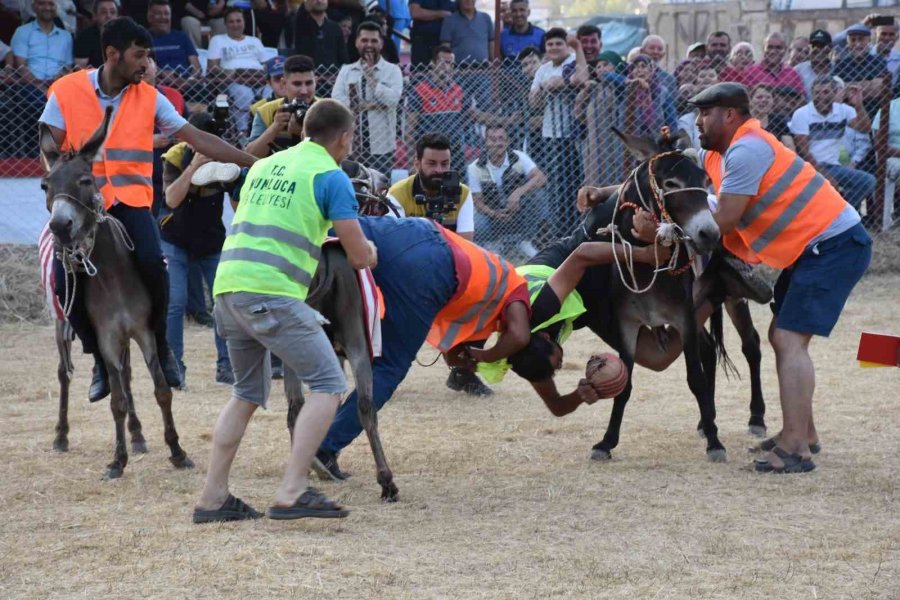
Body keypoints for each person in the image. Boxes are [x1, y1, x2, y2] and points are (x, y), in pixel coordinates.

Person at [40, 16, 256, 402]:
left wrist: (251, 162)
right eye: (139, 56)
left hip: (130, 202)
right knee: (61, 283)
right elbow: (49, 149)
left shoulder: (151, 98)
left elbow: (197, 138)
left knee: (155, 266)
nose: (146, 64)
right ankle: (97, 357)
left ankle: (162, 346)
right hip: (81, 207)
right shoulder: (65, 92)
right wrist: (61, 193)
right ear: (112, 55)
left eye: (147, 56)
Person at [193, 99, 378, 523]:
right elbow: (356, 255)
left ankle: (212, 497)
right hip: (271, 293)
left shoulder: (263, 166)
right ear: (345, 138)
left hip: (227, 288)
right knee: (330, 385)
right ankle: (292, 490)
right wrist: (370, 251)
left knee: (245, 394)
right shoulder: (331, 177)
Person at [691, 82, 872, 473]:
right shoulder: (722, 153)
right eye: (697, 113)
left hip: (833, 244)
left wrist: (672, 231)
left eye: (706, 113)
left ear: (731, 115)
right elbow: (688, 164)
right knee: (781, 335)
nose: (698, 121)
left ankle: (795, 450)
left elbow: (723, 221)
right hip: (814, 247)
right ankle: (803, 432)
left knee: (789, 338)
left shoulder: (745, 149)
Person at [312, 215, 533, 481]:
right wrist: (486, 357)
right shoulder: (516, 287)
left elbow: (453, 353)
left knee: (335, 225)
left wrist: (465, 359)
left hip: (414, 232)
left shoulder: (489, 278)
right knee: (389, 366)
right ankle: (325, 447)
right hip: (432, 264)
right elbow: (519, 336)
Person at [477, 214, 677, 414]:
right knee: (658, 357)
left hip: (587, 260)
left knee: (625, 214)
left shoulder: (541, 308)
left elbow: (583, 254)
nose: (561, 364)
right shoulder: (526, 360)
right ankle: (705, 304)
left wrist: (645, 254)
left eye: (557, 362)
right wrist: (580, 395)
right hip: (588, 305)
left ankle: (613, 192)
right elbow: (556, 406)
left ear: (545, 336)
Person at [159, 112, 239, 387]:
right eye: (197, 143)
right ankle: (174, 368)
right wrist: (193, 167)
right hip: (175, 240)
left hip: (211, 241)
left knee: (224, 304)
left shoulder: (226, 159)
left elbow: (239, 203)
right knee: (175, 303)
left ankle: (227, 367)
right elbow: (171, 198)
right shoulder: (175, 156)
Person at [529, 28, 588, 237]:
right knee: (556, 186)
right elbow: (533, 103)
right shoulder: (543, 69)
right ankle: (559, 231)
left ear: (566, 45)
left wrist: (561, 83)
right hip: (550, 135)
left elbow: (581, 78)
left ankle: (576, 229)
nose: (554, 48)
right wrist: (546, 87)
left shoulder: (573, 60)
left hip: (573, 135)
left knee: (575, 183)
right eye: (550, 44)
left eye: (558, 44)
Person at [789, 76, 874, 211]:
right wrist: (825, 176)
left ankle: (840, 211)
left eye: (826, 92)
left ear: (835, 93)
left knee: (868, 181)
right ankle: (840, 212)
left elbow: (865, 128)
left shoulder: (844, 110)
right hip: (811, 166)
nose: (821, 96)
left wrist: (859, 105)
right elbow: (804, 151)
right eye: (817, 92)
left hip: (836, 166)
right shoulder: (802, 114)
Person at [331, 20, 403, 175]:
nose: (369, 44)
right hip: (351, 146)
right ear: (357, 43)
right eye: (364, 40)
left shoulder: (393, 71)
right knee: (352, 187)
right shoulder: (347, 71)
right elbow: (336, 100)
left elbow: (393, 100)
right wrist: (366, 105)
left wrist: (372, 79)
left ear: (381, 44)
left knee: (379, 189)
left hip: (381, 147)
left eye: (374, 41)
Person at [467, 124, 546, 257]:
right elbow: (478, 202)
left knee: (538, 195)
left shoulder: (519, 157)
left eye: (502, 138)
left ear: (508, 141)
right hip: (491, 214)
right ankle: (492, 244)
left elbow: (541, 178)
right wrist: (494, 213)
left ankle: (524, 241)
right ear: (485, 142)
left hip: (517, 210)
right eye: (493, 139)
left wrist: (518, 192)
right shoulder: (474, 168)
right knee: (478, 221)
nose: (498, 143)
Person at [8, 0, 73, 157]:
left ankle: (60, 152)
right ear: (34, 7)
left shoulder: (66, 37)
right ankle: (36, 153)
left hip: (58, 86)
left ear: (56, 8)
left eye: (51, 4)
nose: (47, 8)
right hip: (29, 86)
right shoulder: (22, 32)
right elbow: (21, 67)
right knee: (38, 103)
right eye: (42, 3)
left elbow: (68, 67)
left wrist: (55, 85)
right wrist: (43, 89)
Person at [388, 132, 474, 238]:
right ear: (417, 164)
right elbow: (395, 241)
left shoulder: (463, 193)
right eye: (432, 163)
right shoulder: (397, 193)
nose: (439, 170)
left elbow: (466, 244)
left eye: (444, 164)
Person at [405, 45, 469, 172]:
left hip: (454, 154)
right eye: (443, 63)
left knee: (456, 189)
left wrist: (506, 120)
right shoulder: (420, 90)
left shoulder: (458, 90)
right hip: (430, 154)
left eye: (451, 64)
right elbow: (410, 130)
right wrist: (412, 160)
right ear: (433, 64)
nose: (447, 67)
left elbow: (473, 113)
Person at [206, 7, 267, 135]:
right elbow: (212, 66)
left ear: (244, 22)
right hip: (235, 79)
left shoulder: (255, 41)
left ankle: (267, 128)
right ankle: (243, 132)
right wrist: (226, 72)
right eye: (231, 21)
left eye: (238, 21)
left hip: (259, 78)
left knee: (270, 93)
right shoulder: (218, 40)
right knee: (245, 95)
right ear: (226, 24)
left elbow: (266, 64)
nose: (235, 25)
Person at [246, 54, 318, 158]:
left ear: (316, 81)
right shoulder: (266, 111)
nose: (304, 91)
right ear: (284, 83)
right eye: (297, 84)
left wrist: (303, 134)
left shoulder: (327, 109)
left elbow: (335, 157)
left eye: (309, 83)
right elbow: (250, 156)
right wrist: (275, 127)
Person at [833, 23, 888, 118]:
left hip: (873, 114)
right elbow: (837, 93)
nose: (857, 44)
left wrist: (847, 87)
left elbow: (879, 89)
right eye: (853, 40)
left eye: (861, 39)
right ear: (847, 43)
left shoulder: (879, 61)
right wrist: (869, 84)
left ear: (869, 41)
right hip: (847, 116)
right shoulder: (840, 64)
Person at [742, 32, 804, 97]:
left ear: (785, 50)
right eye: (769, 47)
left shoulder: (792, 73)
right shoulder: (750, 72)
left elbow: (801, 98)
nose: (773, 51)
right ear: (763, 49)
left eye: (778, 48)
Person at [292, 0, 348, 69]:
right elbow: (301, 14)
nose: (319, 0)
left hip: (333, 76)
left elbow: (343, 57)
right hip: (308, 75)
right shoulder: (301, 25)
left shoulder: (335, 28)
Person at [439, 0, 493, 64]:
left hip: (484, 69)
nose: (468, 1)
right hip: (459, 69)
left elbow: (492, 43)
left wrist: (493, 66)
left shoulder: (486, 18)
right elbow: (445, 47)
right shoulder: (449, 20)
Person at [408, 0, 454, 66]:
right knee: (421, 73)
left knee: (445, 73)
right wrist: (440, 14)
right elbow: (415, 12)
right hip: (423, 43)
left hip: (446, 44)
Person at [74, 0, 118, 69]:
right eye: (103, 12)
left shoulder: (125, 35)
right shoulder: (84, 37)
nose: (109, 16)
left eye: (112, 12)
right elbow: (79, 69)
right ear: (95, 16)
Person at [795, 29, 834, 100]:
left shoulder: (837, 69)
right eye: (814, 46)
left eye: (821, 46)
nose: (817, 49)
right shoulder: (798, 70)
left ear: (830, 48)